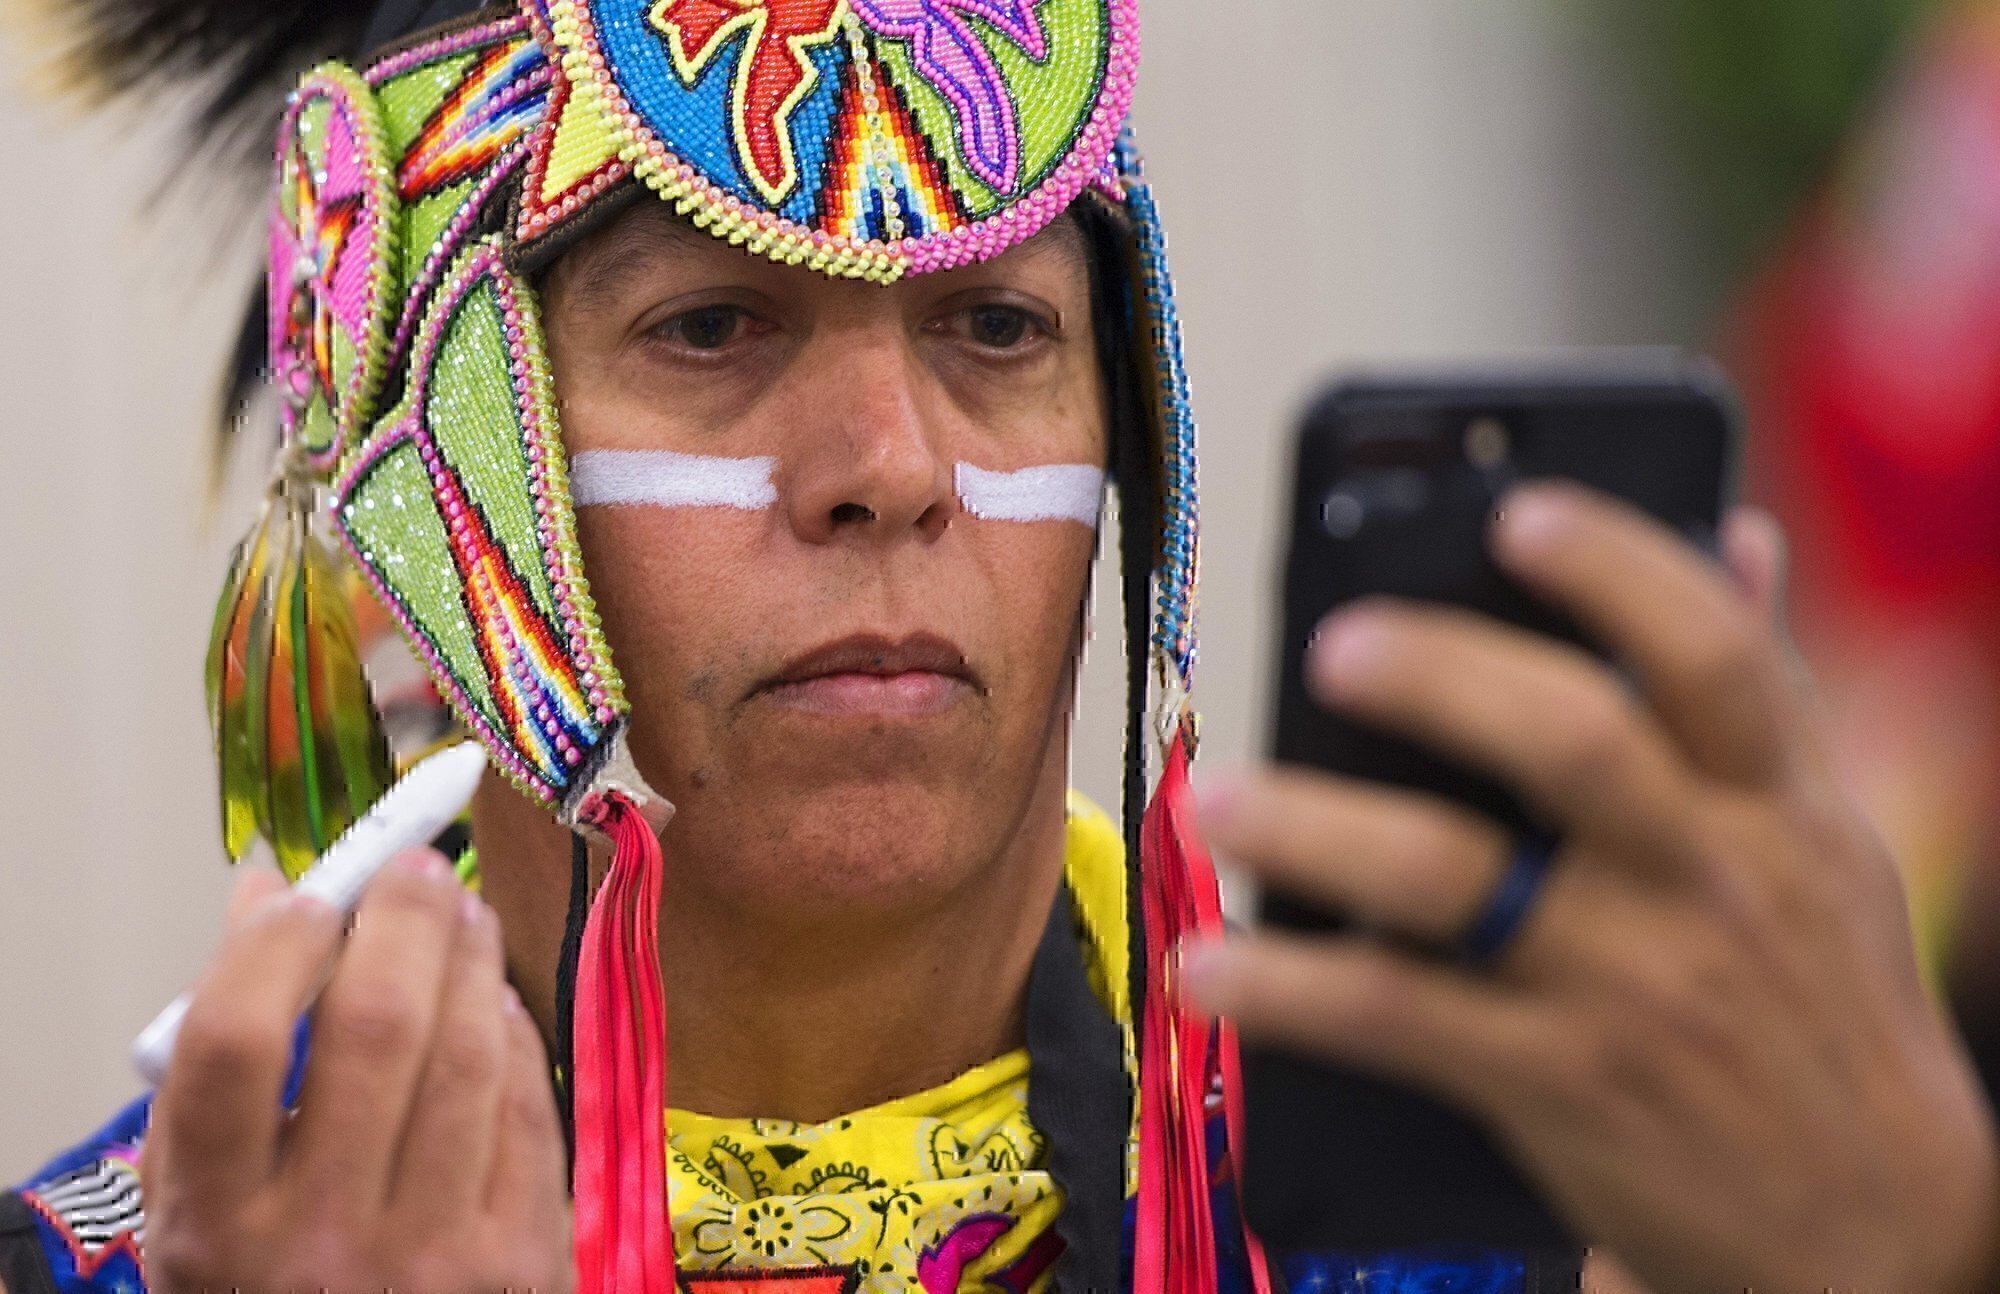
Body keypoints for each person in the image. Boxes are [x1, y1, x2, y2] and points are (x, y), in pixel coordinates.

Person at [2, 1, 1995, 1291]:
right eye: (712, 329)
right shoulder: (142, 1256)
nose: (895, 467)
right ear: (425, 507)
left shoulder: (1512, 1213)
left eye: (993, 331)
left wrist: (1912, 1247)